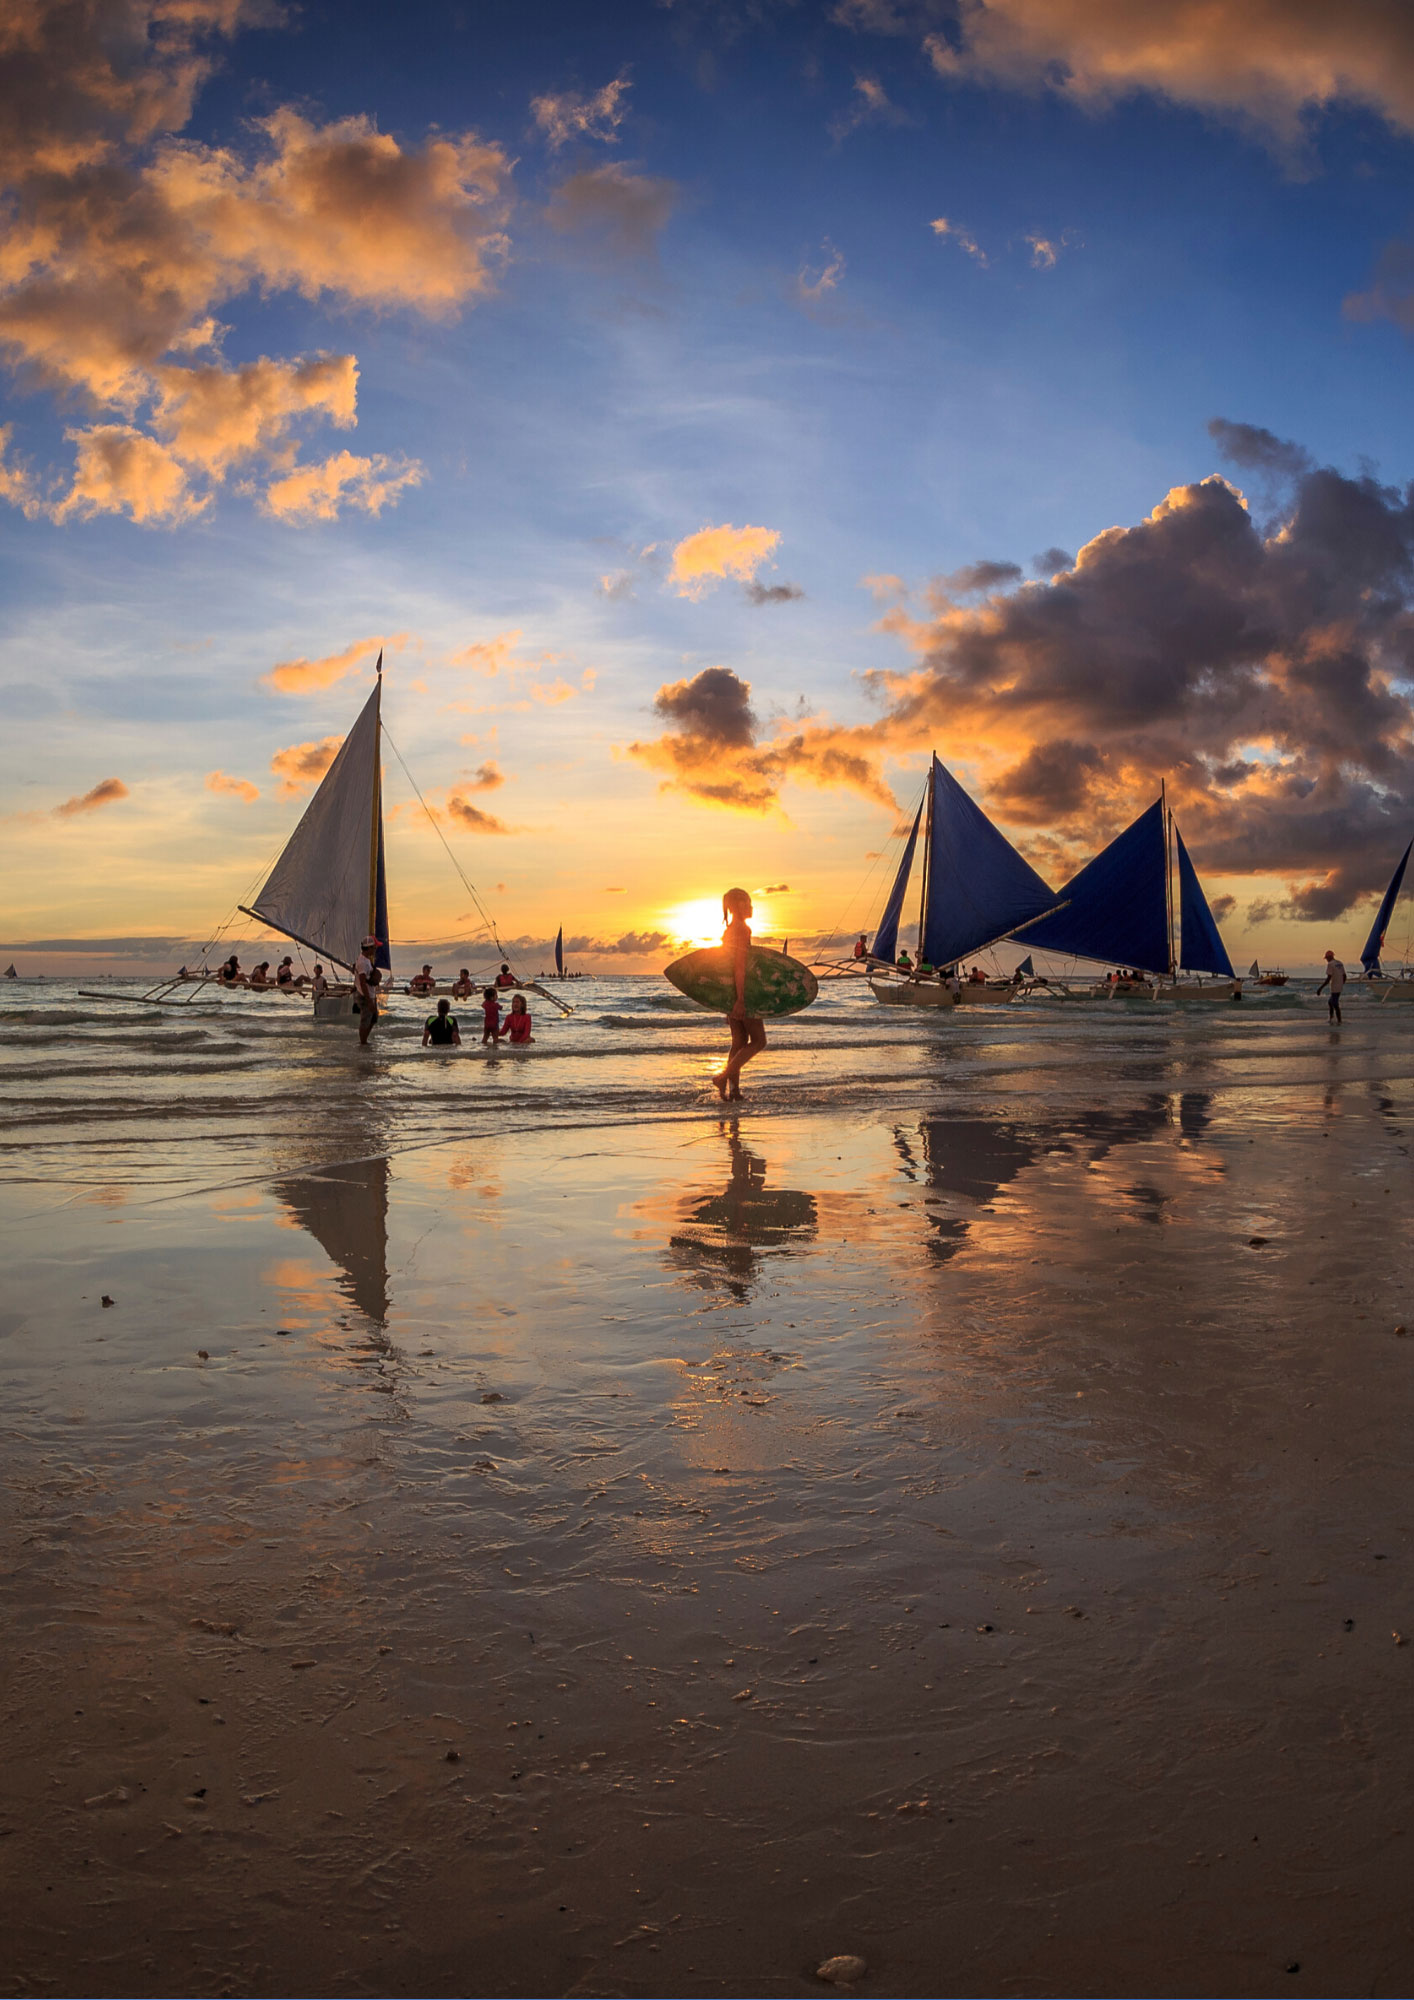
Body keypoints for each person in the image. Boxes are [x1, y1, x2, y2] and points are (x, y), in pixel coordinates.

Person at [712, 887, 766, 1103]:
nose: (751, 906)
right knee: (759, 1041)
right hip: (744, 994)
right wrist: (741, 1000)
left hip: (731, 994)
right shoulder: (742, 930)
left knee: (739, 1042)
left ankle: (733, 1091)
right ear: (737, 906)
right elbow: (739, 967)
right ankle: (723, 1077)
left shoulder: (729, 931)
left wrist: (728, 1001)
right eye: (747, 903)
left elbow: (724, 969)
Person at [354, 935, 380, 1045]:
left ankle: (364, 1041)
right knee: (365, 1020)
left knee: (373, 1018)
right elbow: (362, 982)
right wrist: (369, 1000)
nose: (375, 950)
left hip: (370, 994)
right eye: (374, 948)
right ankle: (363, 1043)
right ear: (369, 948)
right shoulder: (362, 963)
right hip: (365, 995)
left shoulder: (366, 960)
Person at [1317, 948, 1347, 1023]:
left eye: (1326, 958)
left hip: (1335, 987)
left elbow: (1328, 978)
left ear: (1329, 957)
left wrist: (1320, 988)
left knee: (1335, 1004)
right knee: (1331, 1002)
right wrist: (1341, 983)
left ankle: (1339, 1021)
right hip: (1339, 987)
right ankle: (1331, 1018)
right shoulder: (1340, 963)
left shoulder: (1330, 964)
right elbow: (1344, 976)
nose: (1326, 960)